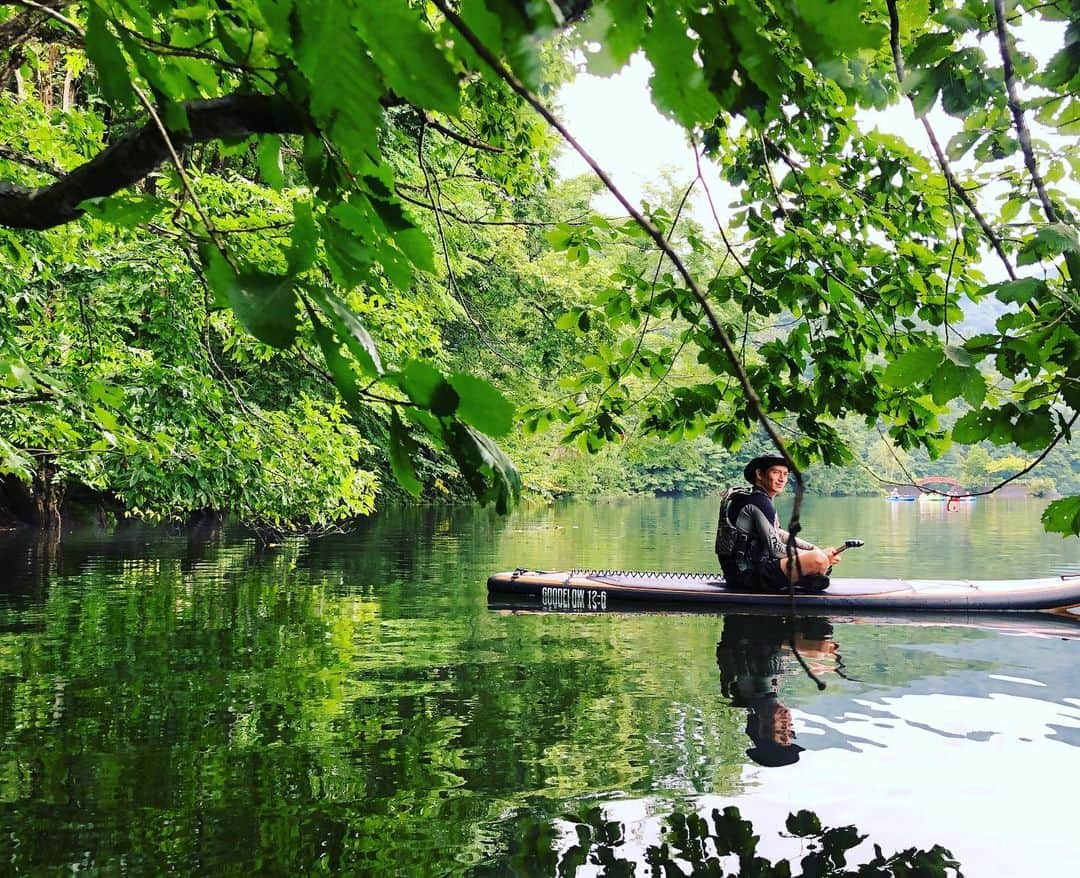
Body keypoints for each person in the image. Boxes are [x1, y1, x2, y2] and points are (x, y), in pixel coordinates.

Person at [715, 453, 843, 592]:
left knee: (818, 559)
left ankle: (805, 578)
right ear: (759, 474)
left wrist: (813, 549)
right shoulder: (759, 501)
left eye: (785, 474)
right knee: (818, 561)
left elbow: (779, 534)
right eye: (776, 472)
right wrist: (817, 556)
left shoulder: (756, 498)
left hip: (740, 573)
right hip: (746, 577)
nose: (782, 479)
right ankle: (805, 579)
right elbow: (776, 548)